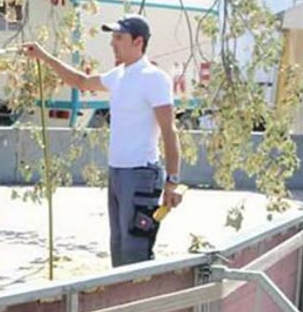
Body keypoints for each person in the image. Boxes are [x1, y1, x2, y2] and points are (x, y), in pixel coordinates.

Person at [22, 14, 184, 266]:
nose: (113, 44)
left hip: (141, 174)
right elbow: (81, 81)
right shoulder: (119, 75)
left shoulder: (154, 78)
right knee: (118, 248)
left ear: (138, 42)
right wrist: (42, 56)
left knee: (135, 251)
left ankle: (139, 302)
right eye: (112, 38)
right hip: (117, 172)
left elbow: (169, 131)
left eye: (119, 38)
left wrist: (172, 181)